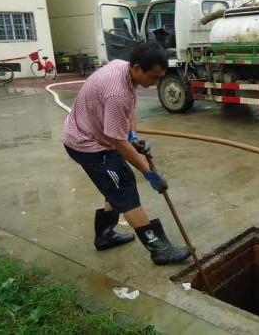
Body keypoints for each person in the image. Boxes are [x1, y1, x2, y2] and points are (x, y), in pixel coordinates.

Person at [63, 42, 190, 265]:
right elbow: (116, 140)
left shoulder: (123, 68)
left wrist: (134, 137)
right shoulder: (116, 93)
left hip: (98, 135)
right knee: (124, 188)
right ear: (137, 68)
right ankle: (159, 249)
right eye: (153, 77)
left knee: (115, 184)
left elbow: (129, 108)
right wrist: (149, 172)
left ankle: (105, 236)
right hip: (88, 144)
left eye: (160, 77)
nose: (155, 83)